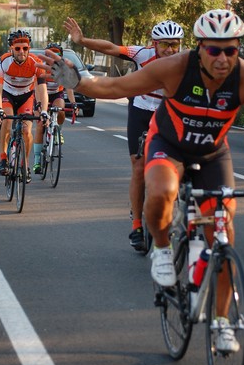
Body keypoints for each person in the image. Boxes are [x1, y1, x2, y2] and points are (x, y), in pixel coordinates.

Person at [45, 9, 244, 352]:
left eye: (231, 50)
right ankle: (162, 249)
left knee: (223, 235)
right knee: (163, 191)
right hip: (168, 144)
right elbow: (118, 86)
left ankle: (222, 322)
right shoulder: (176, 68)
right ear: (200, 48)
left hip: (212, 155)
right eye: (214, 50)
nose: (223, 58)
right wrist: (82, 83)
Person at [64, 17, 184, 253]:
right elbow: (110, 48)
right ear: (154, 43)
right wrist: (82, 40)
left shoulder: (185, 61)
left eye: (175, 44)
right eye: (165, 44)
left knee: (177, 164)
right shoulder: (141, 54)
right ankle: (137, 225)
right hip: (141, 109)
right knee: (138, 167)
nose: (170, 49)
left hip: (167, 112)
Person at [0, 29, 49, 183]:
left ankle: (25, 164)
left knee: (26, 130)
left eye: (25, 48)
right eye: (17, 48)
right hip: (7, 94)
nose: (21, 52)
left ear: (29, 48)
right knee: (7, 120)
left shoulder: (36, 63)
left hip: (26, 96)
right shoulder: (3, 61)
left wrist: (44, 110)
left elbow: (42, 89)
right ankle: (3, 158)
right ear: (11, 49)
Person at [32, 43, 79, 174]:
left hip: (56, 94)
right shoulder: (42, 68)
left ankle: (57, 130)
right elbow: (37, 88)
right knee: (40, 125)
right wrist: (39, 105)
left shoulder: (63, 70)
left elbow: (69, 88)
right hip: (41, 95)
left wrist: (74, 103)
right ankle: (36, 160)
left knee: (61, 111)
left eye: (57, 55)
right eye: (50, 54)